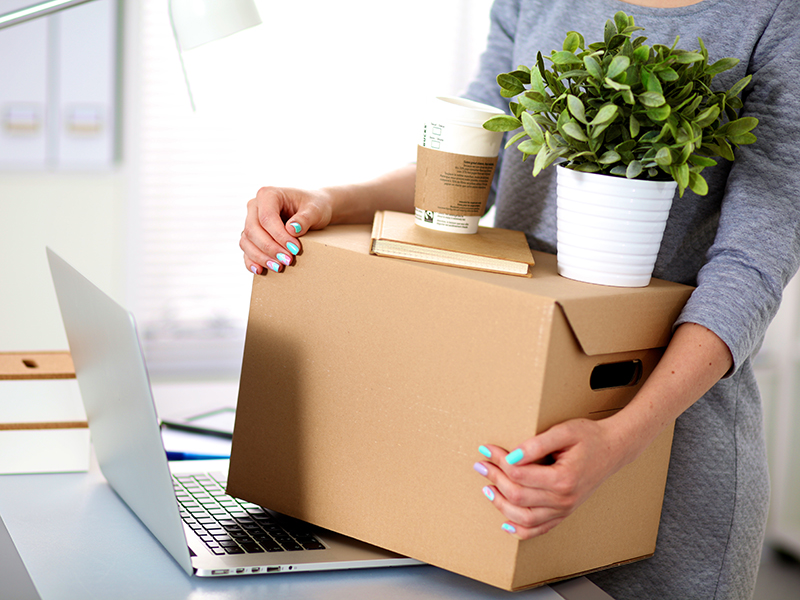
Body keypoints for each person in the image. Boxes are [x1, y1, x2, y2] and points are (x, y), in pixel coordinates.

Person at [240, 0, 800, 598]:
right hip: (506, 420)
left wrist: (618, 438)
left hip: (665, 444)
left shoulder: (776, 17)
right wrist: (331, 199)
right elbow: (468, 166)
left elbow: (751, 266)